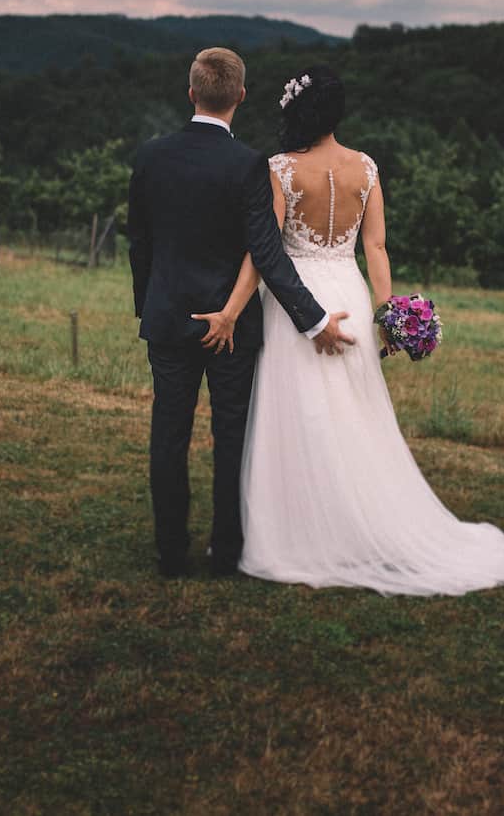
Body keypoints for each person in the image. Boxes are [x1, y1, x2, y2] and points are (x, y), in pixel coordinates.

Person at [193, 65, 504, 596]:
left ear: (295, 111)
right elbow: (375, 247)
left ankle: (297, 530)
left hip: (296, 301)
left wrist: (234, 308)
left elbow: (265, 253)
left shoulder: (280, 169)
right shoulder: (367, 167)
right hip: (346, 291)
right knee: (351, 411)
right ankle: (355, 519)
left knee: (298, 409)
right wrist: (386, 313)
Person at [127, 48, 356, 579]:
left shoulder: (151, 156)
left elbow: (140, 244)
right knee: (232, 435)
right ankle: (226, 552)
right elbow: (267, 252)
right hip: (231, 327)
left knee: (169, 435)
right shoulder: (248, 164)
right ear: (241, 97)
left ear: (192, 94)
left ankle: (170, 552)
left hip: (169, 320)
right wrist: (315, 319)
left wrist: (151, 308)